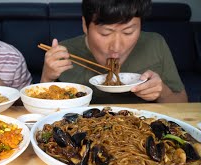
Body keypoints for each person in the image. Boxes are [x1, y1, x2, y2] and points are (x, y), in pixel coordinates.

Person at [41, 0, 188, 104]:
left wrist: (162, 92)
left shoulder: (155, 44)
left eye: (128, 32)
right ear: (85, 25)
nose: (117, 47)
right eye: (105, 33)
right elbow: (41, 115)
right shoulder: (64, 54)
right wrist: (47, 78)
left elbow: (182, 105)